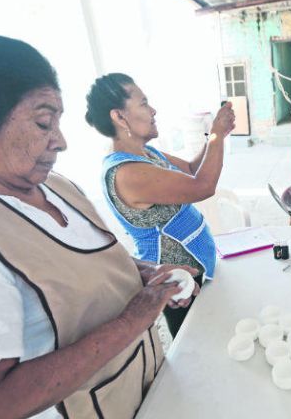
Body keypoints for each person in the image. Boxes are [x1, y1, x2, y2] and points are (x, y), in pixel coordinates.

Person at [0, 35, 199, 419]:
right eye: (43, 123)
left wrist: (147, 274)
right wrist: (135, 318)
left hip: (138, 389)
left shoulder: (56, 187)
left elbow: (89, 268)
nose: (60, 142)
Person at [85, 73, 235, 338]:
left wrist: (213, 135)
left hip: (198, 263)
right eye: (143, 104)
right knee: (196, 344)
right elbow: (202, 186)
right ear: (119, 117)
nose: (153, 111)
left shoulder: (146, 154)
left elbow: (190, 169)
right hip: (178, 280)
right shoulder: (127, 172)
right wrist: (217, 136)